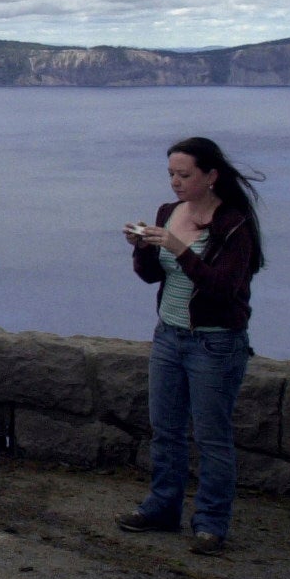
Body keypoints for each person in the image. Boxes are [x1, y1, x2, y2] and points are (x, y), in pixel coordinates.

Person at [119, 137, 265, 556]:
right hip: (169, 336)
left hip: (215, 344)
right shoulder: (169, 214)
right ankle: (163, 508)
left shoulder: (233, 224)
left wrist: (179, 248)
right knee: (165, 430)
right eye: (171, 174)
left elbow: (223, 289)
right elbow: (151, 277)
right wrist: (143, 248)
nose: (175, 183)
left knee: (212, 436)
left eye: (184, 175)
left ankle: (211, 524)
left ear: (211, 176)